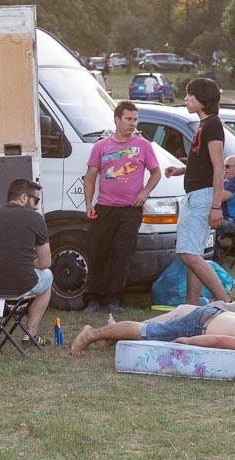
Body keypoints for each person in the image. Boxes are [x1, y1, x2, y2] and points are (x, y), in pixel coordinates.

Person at [69, 306, 235, 372]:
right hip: (202, 324)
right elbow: (220, 341)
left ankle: (111, 336)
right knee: (148, 332)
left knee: (150, 331)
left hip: (216, 314)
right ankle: (92, 333)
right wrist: (188, 341)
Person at [82, 101, 161, 314]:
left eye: (135, 119)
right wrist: (88, 204)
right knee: (97, 252)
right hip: (104, 208)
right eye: (128, 119)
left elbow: (156, 172)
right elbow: (90, 177)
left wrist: (144, 193)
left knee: (122, 255)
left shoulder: (143, 145)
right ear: (117, 120)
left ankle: (114, 300)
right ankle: (93, 298)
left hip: (130, 209)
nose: (132, 124)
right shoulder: (101, 146)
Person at [164, 77, 232, 305]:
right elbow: (204, 164)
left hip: (202, 196)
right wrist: (181, 170)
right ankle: (191, 306)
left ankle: (226, 302)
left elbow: (218, 167)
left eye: (190, 95)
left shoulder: (212, 125)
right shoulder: (204, 125)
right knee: (193, 254)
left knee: (188, 254)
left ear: (202, 99)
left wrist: (216, 206)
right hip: (196, 194)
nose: (185, 99)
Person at [0, 179, 53, 346]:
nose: (36, 207)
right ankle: (30, 334)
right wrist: (30, 263)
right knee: (48, 276)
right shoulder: (36, 218)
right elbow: (46, 262)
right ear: (24, 197)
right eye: (36, 200)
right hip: (23, 284)